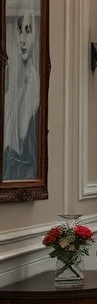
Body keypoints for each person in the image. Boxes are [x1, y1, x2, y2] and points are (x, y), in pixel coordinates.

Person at [2, 13, 40, 180]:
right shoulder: (17, 85)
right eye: (20, 31)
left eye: (28, 30)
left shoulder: (35, 84)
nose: (22, 39)